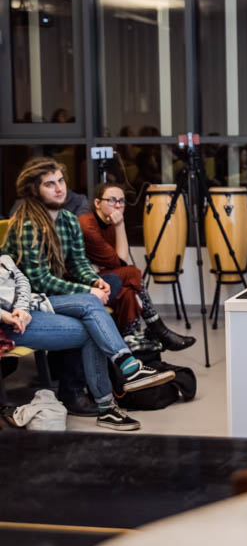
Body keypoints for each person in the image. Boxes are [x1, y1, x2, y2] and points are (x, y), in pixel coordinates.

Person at [1, 158, 175, 418]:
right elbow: (39, 280)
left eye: (61, 181)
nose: (59, 188)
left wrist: (93, 281)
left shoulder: (68, 220)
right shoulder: (27, 224)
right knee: (91, 307)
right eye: (49, 184)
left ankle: (109, 388)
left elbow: (79, 263)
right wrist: (87, 292)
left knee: (106, 290)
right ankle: (120, 376)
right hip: (26, 303)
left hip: (51, 296)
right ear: (34, 190)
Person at [0, 253, 141, 431]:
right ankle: (110, 401)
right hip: (7, 324)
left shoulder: (3, 258)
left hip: (29, 307)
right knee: (91, 329)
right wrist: (5, 315)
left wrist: (22, 308)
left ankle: (127, 368)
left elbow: (21, 279)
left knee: (92, 303)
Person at [78, 181, 195, 352]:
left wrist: (119, 226)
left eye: (121, 201)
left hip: (103, 278)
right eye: (111, 200)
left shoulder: (110, 223)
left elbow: (120, 263)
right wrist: (120, 226)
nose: (118, 205)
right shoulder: (87, 226)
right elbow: (121, 262)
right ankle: (158, 328)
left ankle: (132, 342)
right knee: (132, 273)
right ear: (97, 203)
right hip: (83, 282)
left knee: (128, 292)